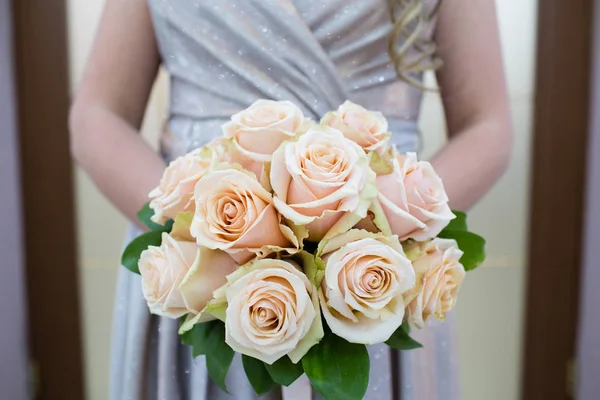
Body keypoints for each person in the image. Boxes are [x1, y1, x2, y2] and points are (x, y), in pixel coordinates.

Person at [70, 0, 512, 399]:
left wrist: (385, 235)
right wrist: (206, 241)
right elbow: (98, 116)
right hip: (198, 276)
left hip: (372, 282)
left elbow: (486, 126)